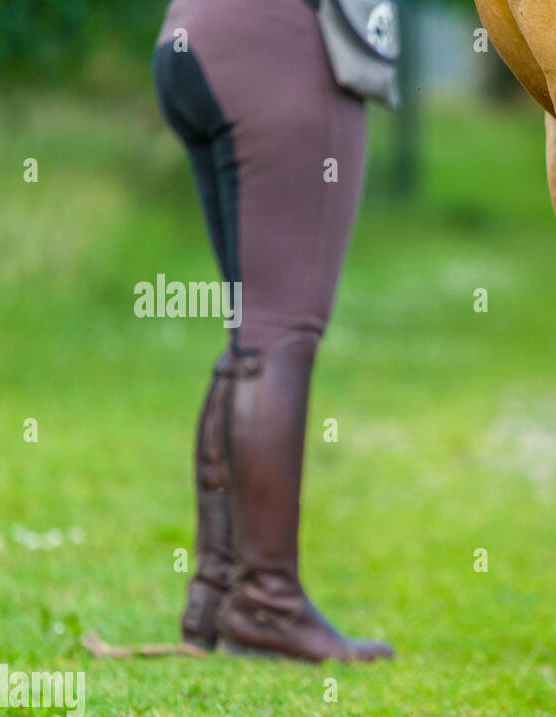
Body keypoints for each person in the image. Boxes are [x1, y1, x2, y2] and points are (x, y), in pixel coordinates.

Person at [152, 0, 398, 661]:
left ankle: (217, 591)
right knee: (281, 329)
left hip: (193, 36)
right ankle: (267, 601)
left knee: (251, 328)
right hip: (279, 44)